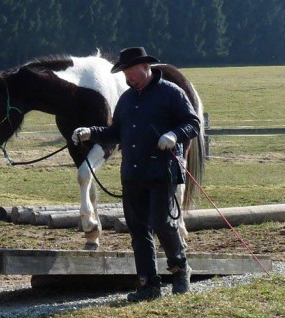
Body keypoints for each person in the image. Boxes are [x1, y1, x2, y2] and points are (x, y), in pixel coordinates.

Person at [72, 47, 201, 302]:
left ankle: (180, 269)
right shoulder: (127, 100)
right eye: (125, 73)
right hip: (132, 174)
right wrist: (91, 132)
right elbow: (115, 131)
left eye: (131, 71)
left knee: (162, 222)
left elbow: (193, 123)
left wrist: (174, 135)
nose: (128, 77)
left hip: (161, 172)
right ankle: (148, 284)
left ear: (146, 67)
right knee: (138, 229)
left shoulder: (171, 93)